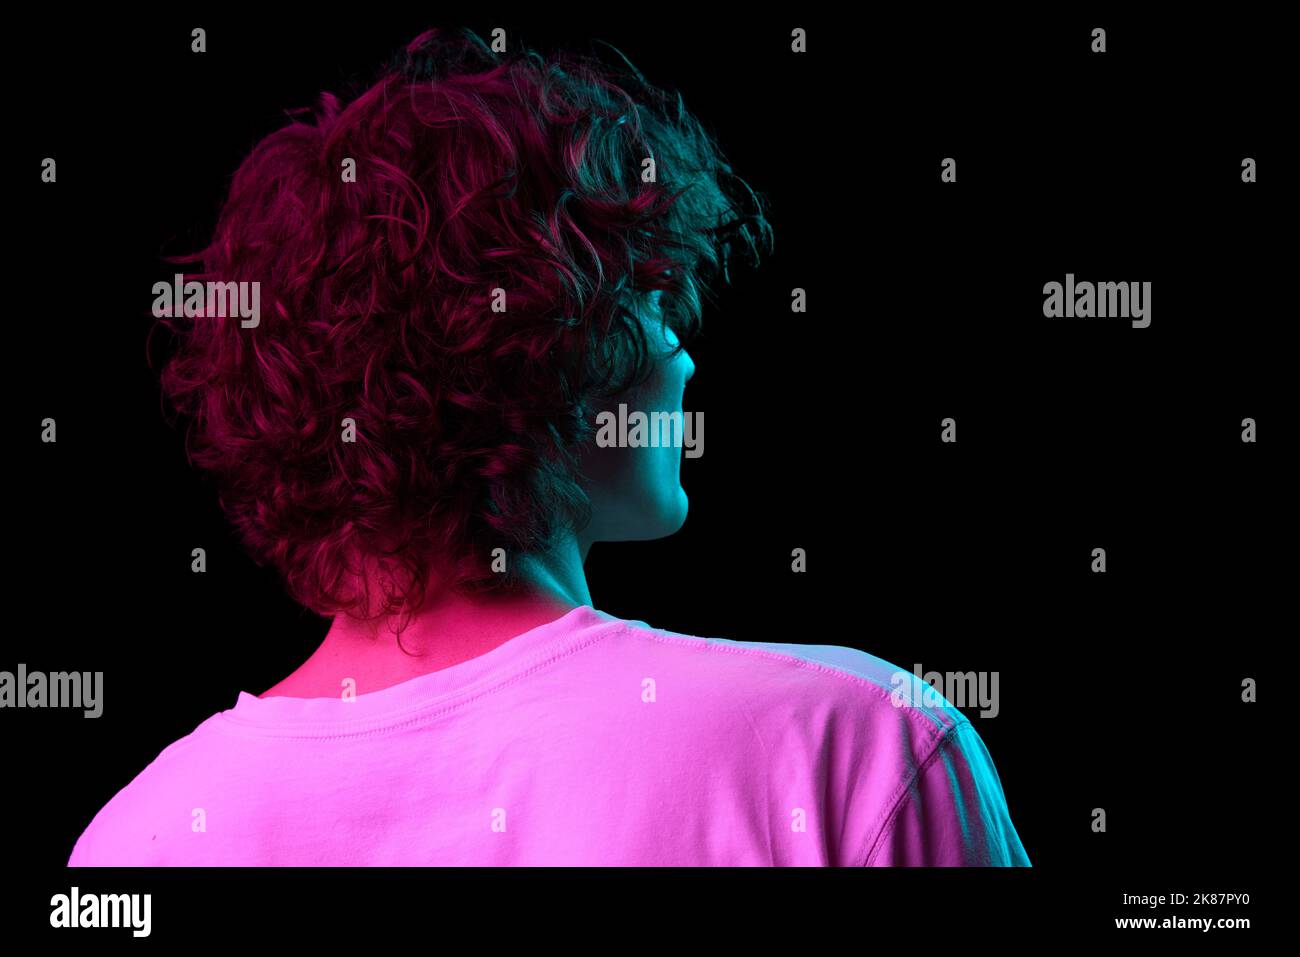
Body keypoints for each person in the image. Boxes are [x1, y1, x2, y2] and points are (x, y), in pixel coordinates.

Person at [69, 27, 1028, 866]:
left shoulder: (132, 839)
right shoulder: (853, 747)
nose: (683, 355)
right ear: (545, 347)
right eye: (650, 297)